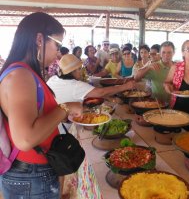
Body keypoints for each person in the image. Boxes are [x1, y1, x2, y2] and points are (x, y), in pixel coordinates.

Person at [0, 12, 82, 198]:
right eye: (57, 45)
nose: (58, 53)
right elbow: (25, 139)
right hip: (30, 175)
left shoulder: (25, 72)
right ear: (39, 39)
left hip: (32, 173)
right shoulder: (20, 75)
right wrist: (65, 108)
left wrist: (61, 110)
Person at [47, 54, 135, 104]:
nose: (81, 71)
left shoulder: (53, 79)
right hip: (68, 125)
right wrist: (125, 86)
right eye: (79, 69)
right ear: (72, 71)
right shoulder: (75, 85)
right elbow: (101, 92)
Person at [164, 40, 189, 131]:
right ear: (183, 52)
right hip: (178, 110)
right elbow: (167, 82)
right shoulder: (176, 67)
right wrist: (167, 87)